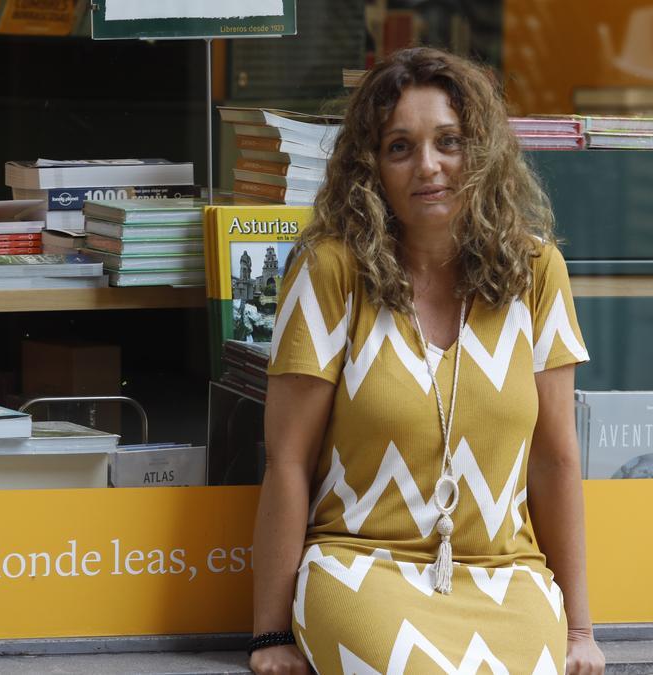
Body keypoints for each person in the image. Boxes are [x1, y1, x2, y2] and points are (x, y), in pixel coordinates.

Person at [249, 47, 606, 675]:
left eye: (449, 141)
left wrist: (579, 630)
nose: (429, 166)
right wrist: (270, 635)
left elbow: (555, 459)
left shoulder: (535, 270)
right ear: (370, 167)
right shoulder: (333, 270)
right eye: (399, 147)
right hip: (362, 568)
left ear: (483, 154)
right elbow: (288, 460)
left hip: (506, 575)